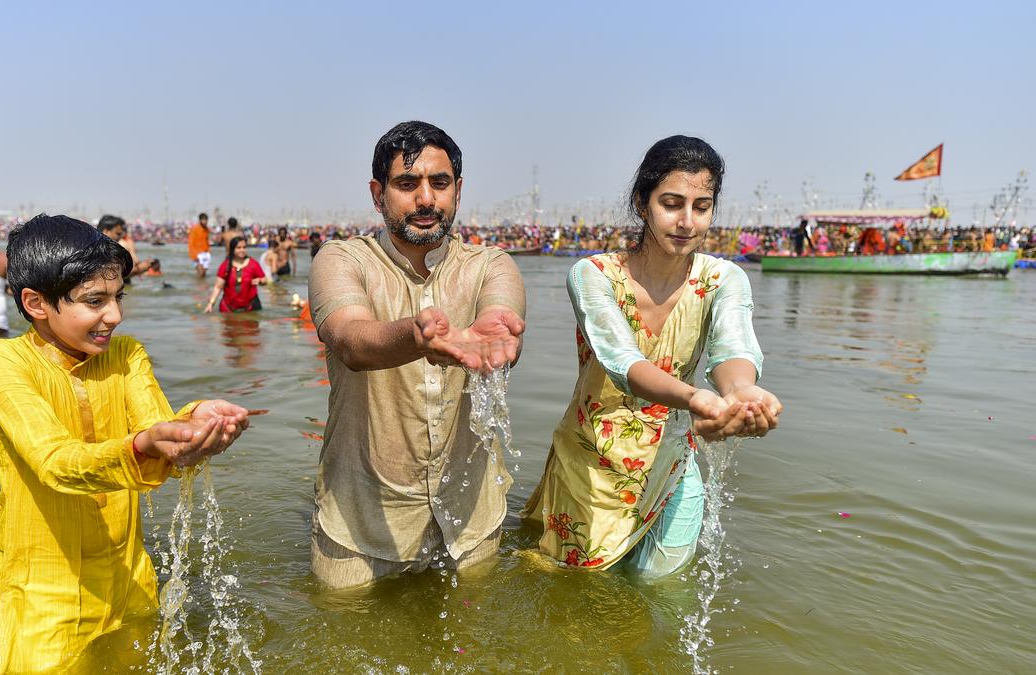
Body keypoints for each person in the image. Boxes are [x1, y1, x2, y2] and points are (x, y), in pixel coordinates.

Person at [0, 214, 250, 673]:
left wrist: (193, 429)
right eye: (95, 300)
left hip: (129, 576)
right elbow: (55, 462)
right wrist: (145, 445)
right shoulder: (1, 362)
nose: (115, 316)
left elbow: (156, 427)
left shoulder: (125, 354)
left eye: (118, 297)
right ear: (36, 303)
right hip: (43, 589)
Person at [522, 135, 782, 575]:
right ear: (643, 204)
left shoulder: (723, 279)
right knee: (580, 596)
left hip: (672, 458)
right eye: (672, 204)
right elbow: (624, 363)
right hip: (592, 463)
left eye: (701, 207)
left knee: (663, 590)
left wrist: (743, 393)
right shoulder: (594, 275)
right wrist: (698, 399)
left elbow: (732, 349)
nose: (686, 222)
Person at [307, 120, 527, 589]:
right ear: (377, 193)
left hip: (472, 521)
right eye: (407, 184)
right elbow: (350, 340)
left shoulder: (491, 265)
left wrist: (495, 340)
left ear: (458, 190)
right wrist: (416, 338)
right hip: (360, 523)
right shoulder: (341, 261)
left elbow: (502, 323)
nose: (426, 199)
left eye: (439, 183)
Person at [204, 236, 267, 313]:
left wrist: (260, 281)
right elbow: (218, 287)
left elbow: (265, 280)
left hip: (250, 308)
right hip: (228, 308)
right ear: (232, 249)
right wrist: (211, 303)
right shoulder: (225, 266)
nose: (242, 250)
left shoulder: (253, 264)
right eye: (238, 248)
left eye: (244, 247)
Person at [187, 212, 211, 278]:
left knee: (204, 273)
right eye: (203, 220)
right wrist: (194, 255)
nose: (205, 221)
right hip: (197, 253)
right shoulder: (195, 229)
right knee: (201, 273)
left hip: (205, 253)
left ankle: (200, 286)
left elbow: (207, 240)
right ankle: (197, 287)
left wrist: (208, 252)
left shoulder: (206, 229)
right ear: (200, 220)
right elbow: (190, 243)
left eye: (206, 220)